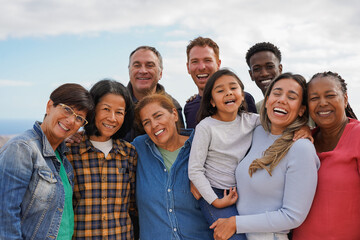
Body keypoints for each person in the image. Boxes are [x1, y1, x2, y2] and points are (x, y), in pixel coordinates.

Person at [210, 73, 320, 240]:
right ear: (267, 100)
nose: (282, 100)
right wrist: (198, 180)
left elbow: (293, 217)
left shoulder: (301, 148)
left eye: (291, 97)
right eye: (276, 93)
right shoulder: (257, 132)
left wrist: (236, 223)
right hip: (238, 234)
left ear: (301, 110)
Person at [0, 83, 93, 239]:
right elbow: (5, 216)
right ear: (49, 106)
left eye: (79, 118)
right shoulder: (22, 148)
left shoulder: (62, 158)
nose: (71, 120)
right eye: (67, 109)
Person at [188, 69, 259, 240]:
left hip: (244, 191)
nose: (228, 92)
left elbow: (279, 123)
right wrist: (215, 201)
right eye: (220, 90)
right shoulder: (206, 127)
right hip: (216, 192)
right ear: (212, 101)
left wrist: (303, 129)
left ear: (242, 95)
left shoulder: (252, 120)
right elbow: (195, 170)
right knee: (234, 237)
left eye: (233, 88)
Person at [132, 93, 213, 240]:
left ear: (174, 114)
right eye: (146, 122)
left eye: (158, 116)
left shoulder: (202, 145)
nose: (154, 125)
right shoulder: (138, 149)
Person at [66, 80, 137, 239]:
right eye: (106, 109)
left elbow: (133, 205)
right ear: (92, 109)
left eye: (119, 112)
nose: (112, 118)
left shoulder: (129, 153)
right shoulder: (70, 151)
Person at [292, 71, 360, 240]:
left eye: (330, 95)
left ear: (345, 99)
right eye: (314, 98)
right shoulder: (302, 142)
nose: (322, 103)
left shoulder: (357, 135)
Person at [184, 37, 257, 129]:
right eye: (195, 61)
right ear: (188, 67)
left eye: (207, 60)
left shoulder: (243, 99)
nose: (201, 67)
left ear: (218, 64)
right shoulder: (189, 107)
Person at [125, 45, 185, 141]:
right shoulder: (116, 104)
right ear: (129, 71)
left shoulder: (172, 106)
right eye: (137, 65)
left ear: (160, 73)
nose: (143, 71)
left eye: (150, 65)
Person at [245, 42, 283, 113]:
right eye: (257, 69)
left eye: (270, 67)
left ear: (280, 69)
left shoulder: (302, 104)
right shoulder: (256, 111)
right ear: (251, 75)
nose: (264, 74)